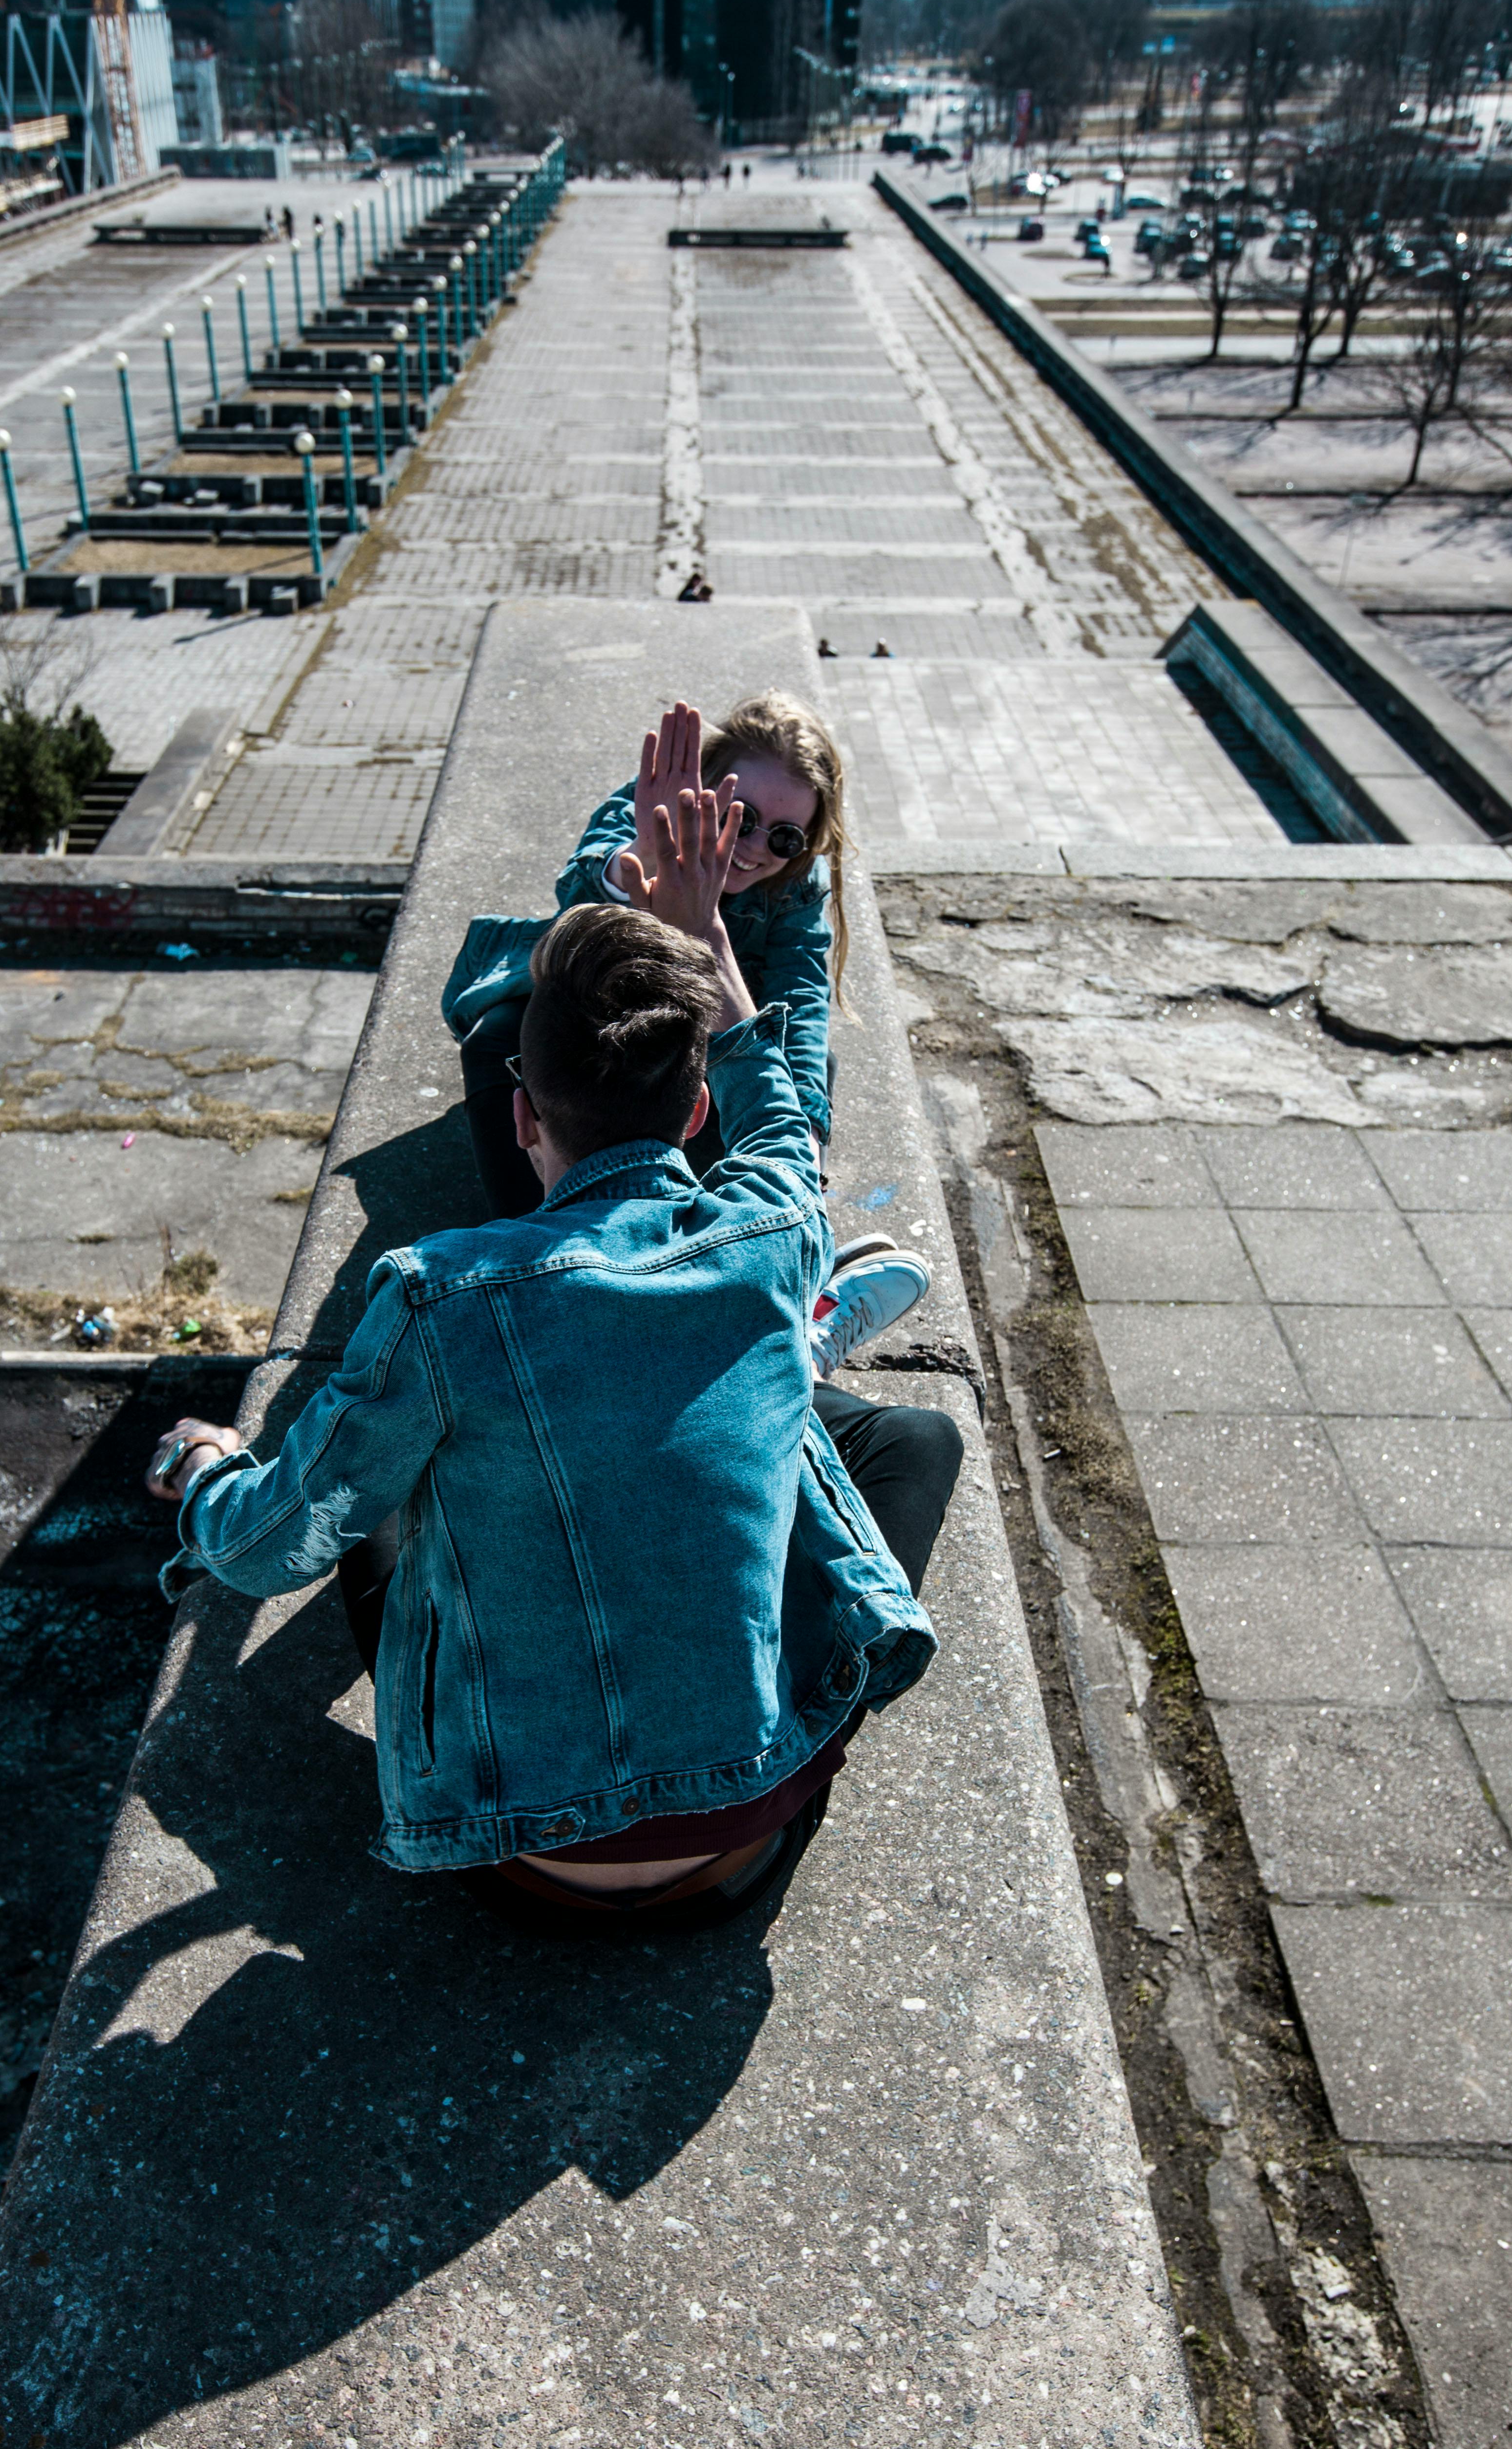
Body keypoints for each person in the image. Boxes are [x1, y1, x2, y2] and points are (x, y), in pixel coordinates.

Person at [146, 786, 962, 1928]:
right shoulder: (777, 1227)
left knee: (387, 1476)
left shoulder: (439, 1296)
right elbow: (779, 1114)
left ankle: (789, 1357)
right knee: (914, 1438)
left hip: (518, 1858)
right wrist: (711, 939)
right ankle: (794, 1353)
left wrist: (203, 1472)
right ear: (692, 1118)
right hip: (751, 1828)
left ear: (523, 1117)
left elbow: (275, 1548)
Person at [452, 697, 930, 1376]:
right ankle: (538, 1253)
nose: (755, 847)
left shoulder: (794, 888)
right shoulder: (652, 811)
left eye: (785, 837)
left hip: (695, 1063)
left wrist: (801, 1146)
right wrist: (644, 861)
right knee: (501, 1036)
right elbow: (582, 886)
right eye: (740, 817)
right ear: (705, 790)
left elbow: (800, 998)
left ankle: (760, 1278)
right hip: (604, 1039)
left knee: (803, 1058)